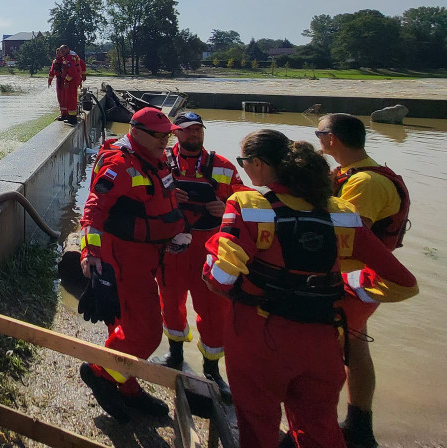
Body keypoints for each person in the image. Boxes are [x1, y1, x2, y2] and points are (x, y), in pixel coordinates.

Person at [203, 129, 418, 448]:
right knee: (320, 428)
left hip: (258, 339)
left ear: (260, 164)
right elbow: (404, 284)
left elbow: (218, 278)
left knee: (258, 425)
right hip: (321, 341)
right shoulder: (341, 213)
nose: (243, 168)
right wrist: (342, 286)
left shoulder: (249, 204)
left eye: (244, 162)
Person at [77, 107, 189, 422]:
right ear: (136, 131)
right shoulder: (119, 166)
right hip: (125, 263)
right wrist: (91, 255)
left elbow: (161, 198)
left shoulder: (157, 159)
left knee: (123, 329)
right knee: (147, 334)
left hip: (149, 257)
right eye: (159, 135)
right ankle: (101, 374)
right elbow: (93, 213)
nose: (166, 140)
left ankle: (125, 386)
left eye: (168, 134)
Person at [315, 113, 411, 448]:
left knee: (326, 355)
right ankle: (359, 424)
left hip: (351, 282)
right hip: (359, 280)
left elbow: (345, 236)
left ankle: (329, 425)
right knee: (354, 347)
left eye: (319, 133)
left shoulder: (364, 184)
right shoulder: (350, 174)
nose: (317, 138)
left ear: (333, 139)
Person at [155, 111, 241, 399]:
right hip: (173, 249)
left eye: (198, 130)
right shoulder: (159, 163)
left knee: (215, 311)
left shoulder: (223, 166)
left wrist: (227, 207)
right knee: (170, 302)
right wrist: (167, 198)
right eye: (188, 130)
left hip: (210, 250)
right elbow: (143, 197)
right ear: (175, 132)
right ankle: (175, 355)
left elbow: (247, 205)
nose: (194, 135)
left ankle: (213, 369)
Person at [47, 45, 86, 124]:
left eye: (61, 52)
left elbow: (74, 70)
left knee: (69, 98)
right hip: (62, 80)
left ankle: (71, 117)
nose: (60, 54)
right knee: (62, 98)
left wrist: (68, 80)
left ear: (67, 50)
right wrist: (49, 80)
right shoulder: (63, 59)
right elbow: (52, 71)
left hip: (69, 80)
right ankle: (65, 114)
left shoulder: (69, 58)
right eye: (58, 52)